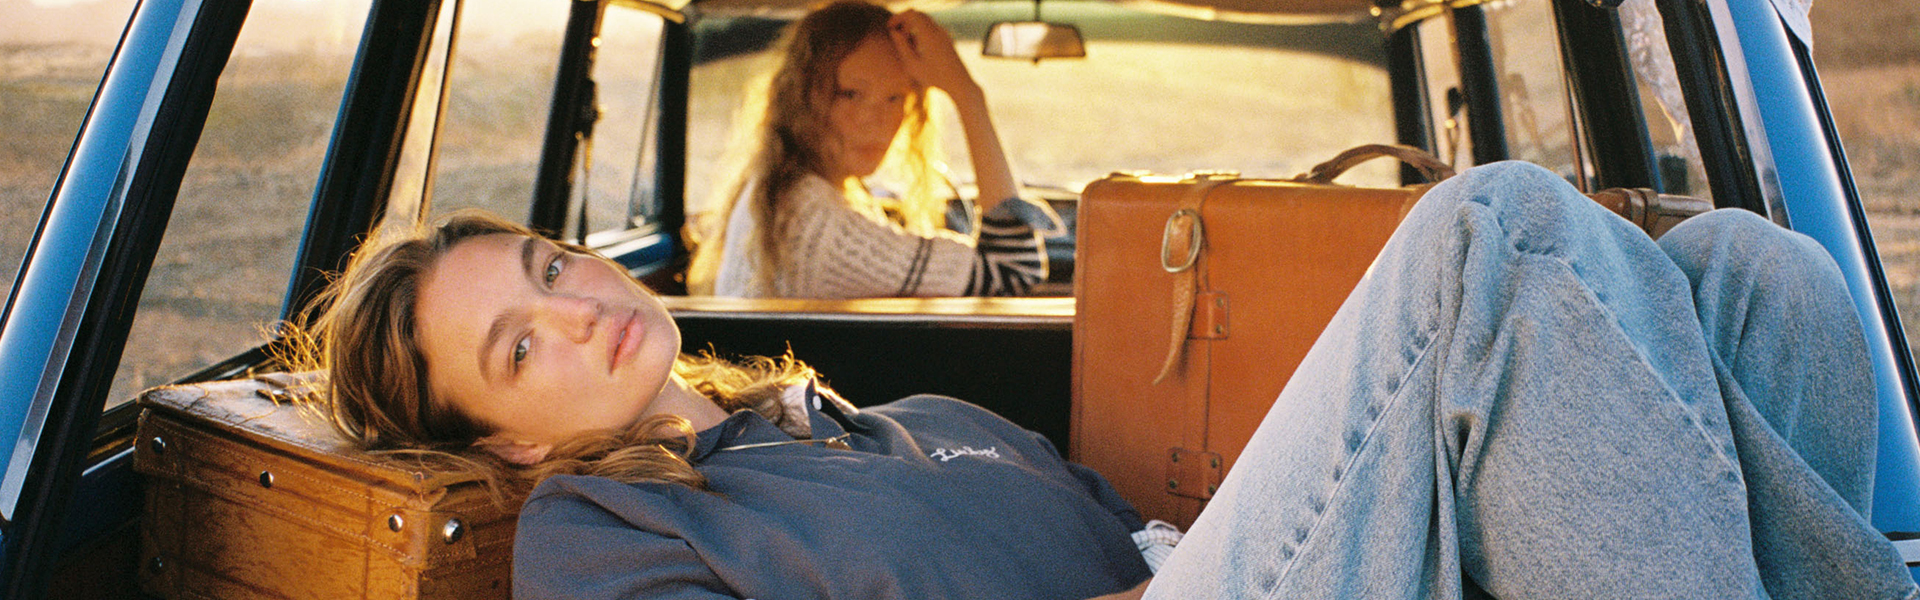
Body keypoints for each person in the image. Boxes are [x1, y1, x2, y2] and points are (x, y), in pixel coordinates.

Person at [287, 160, 1919, 599]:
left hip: (1196, 564)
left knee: (1754, 274)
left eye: (552, 268)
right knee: (1487, 235)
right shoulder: (607, 538)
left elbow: (1138, 528)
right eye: (518, 346)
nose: (577, 311)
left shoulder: (882, 420)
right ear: (503, 440)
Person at [684, 2, 1060, 299]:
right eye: (851, 94)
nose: (876, 121)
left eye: (895, 97)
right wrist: (967, 94)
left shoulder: (784, 192)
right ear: (803, 98)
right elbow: (1013, 270)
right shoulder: (819, 224)